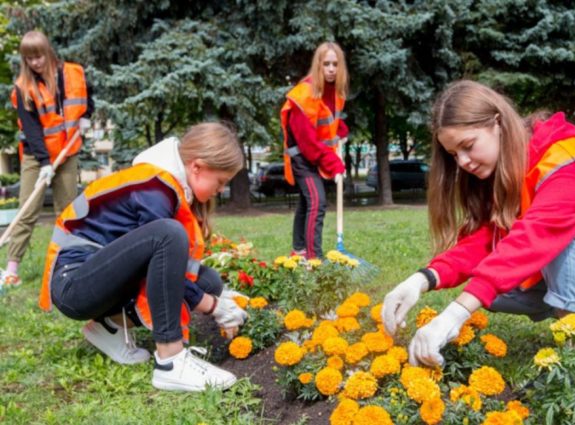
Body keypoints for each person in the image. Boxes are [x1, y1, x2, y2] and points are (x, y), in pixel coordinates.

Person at [382, 80, 575, 367]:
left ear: (498, 123)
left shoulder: (563, 157)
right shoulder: (510, 171)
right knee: (496, 292)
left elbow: (538, 233)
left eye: (468, 146)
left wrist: (455, 314)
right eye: (454, 155)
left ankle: (573, 357)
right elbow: (488, 240)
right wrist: (422, 279)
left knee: (569, 229)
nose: (463, 162)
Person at [39, 122, 249, 392]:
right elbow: (163, 245)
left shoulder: (165, 186)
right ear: (197, 167)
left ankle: (110, 326)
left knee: (206, 281)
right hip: (74, 285)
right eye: (220, 182)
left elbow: (165, 271)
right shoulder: (155, 188)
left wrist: (214, 298)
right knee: (168, 234)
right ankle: (171, 361)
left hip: (95, 277)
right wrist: (213, 307)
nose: (220, 190)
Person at [3, 30, 94, 287]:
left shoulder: (72, 73)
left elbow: (88, 94)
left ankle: (70, 263)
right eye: (29, 58)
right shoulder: (23, 88)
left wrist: (87, 115)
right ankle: (12, 269)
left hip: (67, 150)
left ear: (48, 52)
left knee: (66, 209)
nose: (35, 63)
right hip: (36, 155)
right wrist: (43, 163)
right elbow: (31, 129)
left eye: (39, 56)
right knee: (26, 210)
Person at [280, 41, 349, 259]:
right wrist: (334, 164)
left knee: (306, 202)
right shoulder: (304, 94)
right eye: (326, 64)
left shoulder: (335, 93)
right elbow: (308, 142)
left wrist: (342, 131)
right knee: (317, 202)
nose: (331, 69)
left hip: (314, 156)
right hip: (302, 157)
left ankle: (298, 251)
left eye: (335, 64)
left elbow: (327, 123)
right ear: (317, 65)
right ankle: (313, 259)